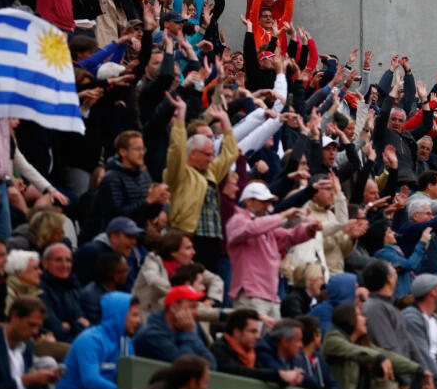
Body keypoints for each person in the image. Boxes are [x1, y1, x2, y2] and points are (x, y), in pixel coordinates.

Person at [163, 98, 238, 274]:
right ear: (194, 153)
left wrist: (225, 121)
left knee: (204, 284)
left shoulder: (211, 171)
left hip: (212, 237)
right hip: (188, 236)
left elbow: (230, 154)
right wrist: (181, 117)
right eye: (208, 155)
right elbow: (176, 150)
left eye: (212, 155)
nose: (212, 159)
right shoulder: (178, 173)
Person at [226, 181, 320, 320]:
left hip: (270, 295)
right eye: (263, 201)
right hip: (250, 295)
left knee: (272, 340)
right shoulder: (237, 220)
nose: (267, 206)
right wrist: (282, 216)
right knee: (252, 339)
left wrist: (308, 229)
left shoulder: (265, 226)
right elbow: (251, 228)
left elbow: (289, 236)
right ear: (248, 201)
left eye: (268, 201)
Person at [322, 301, 432, 389]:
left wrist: (418, 369)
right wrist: (380, 358)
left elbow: (389, 356)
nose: (365, 319)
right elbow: (354, 351)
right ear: (348, 318)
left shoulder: (360, 343)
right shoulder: (333, 340)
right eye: (360, 315)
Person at [56, 292, 142, 389]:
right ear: (119, 316)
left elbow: (131, 377)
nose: (140, 321)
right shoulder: (90, 339)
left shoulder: (126, 343)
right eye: (135, 315)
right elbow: (90, 380)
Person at [360, 259, 427, 389]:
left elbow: (407, 342)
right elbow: (389, 347)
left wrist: (424, 372)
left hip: (400, 381)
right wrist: (406, 379)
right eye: (392, 270)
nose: (396, 272)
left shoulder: (388, 306)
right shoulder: (374, 308)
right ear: (388, 278)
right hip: (387, 382)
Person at [0, 297, 62, 389]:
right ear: (14, 316)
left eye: (38, 326)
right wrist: (24, 381)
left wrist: (44, 382)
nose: (35, 331)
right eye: (31, 324)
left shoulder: (26, 346)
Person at [209, 308, 304, 386]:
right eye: (253, 331)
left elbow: (259, 372)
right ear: (237, 332)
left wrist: (287, 380)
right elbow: (237, 372)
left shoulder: (252, 354)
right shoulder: (219, 349)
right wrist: (279, 375)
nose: (258, 336)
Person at [132, 285, 217, 368]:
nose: (197, 313)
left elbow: (211, 365)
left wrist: (189, 334)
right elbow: (184, 368)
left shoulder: (184, 329)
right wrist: (189, 333)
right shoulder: (152, 335)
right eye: (192, 307)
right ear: (174, 307)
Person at [255, 318, 338, 389]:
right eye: (298, 340)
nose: (301, 345)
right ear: (285, 342)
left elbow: (314, 383)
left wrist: (296, 375)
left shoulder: (295, 355)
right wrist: (290, 376)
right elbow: (279, 374)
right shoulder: (262, 350)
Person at [37, 243, 89, 342]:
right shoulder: (40, 290)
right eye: (58, 260)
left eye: (68, 260)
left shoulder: (73, 287)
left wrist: (71, 326)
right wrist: (76, 325)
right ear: (44, 263)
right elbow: (56, 330)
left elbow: (87, 324)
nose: (65, 265)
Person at [74, 216, 143, 287]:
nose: (134, 242)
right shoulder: (91, 252)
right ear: (114, 237)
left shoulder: (124, 255)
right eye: (129, 237)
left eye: (135, 237)